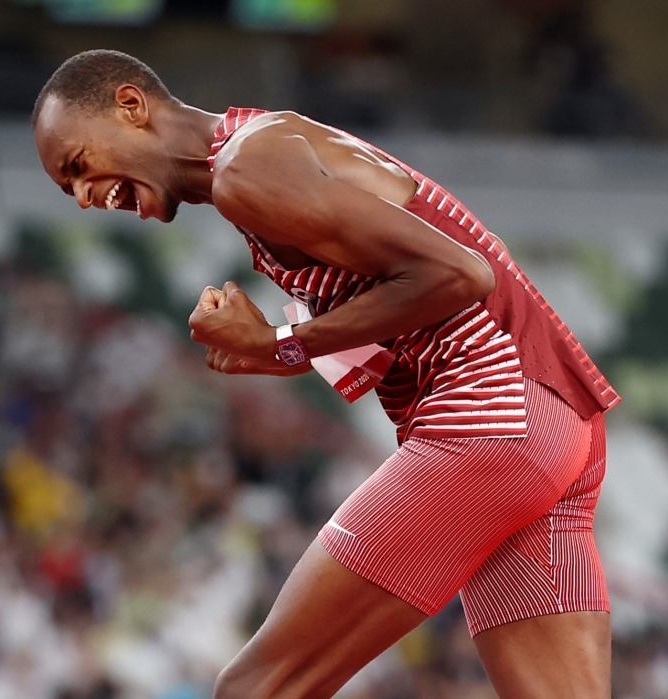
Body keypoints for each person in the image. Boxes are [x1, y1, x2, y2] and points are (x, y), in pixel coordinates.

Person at [31, 48, 621, 699]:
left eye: (77, 165)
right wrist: (272, 350)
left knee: (255, 688)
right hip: (557, 420)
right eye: (67, 189)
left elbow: (459, 274)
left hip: (491, 417)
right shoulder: (262, 150)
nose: (83, 197)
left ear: (131, 106)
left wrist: (282, 344)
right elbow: (397, 322)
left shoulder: (245, 170)